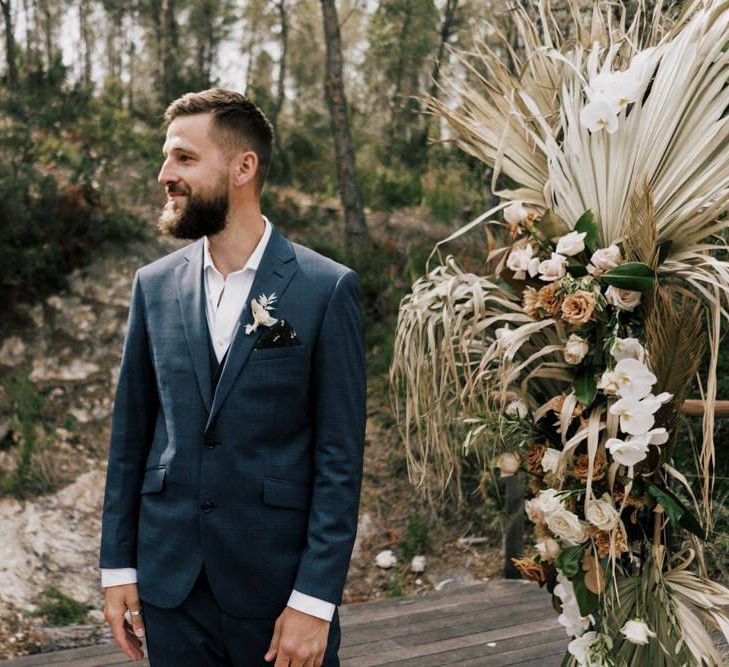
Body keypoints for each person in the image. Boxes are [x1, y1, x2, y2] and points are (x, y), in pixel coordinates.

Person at [98, 87, 367, 667]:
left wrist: (315, 600)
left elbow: (340, 459)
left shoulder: (326, 289)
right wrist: (117, 567)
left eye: (185, 159)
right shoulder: (153, 285)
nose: (165, 174)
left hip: (277, 594)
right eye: (167, 157)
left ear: (244, 167)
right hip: (171, 591)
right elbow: (130, 438)